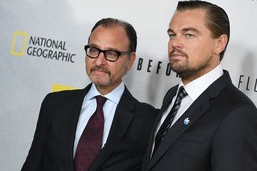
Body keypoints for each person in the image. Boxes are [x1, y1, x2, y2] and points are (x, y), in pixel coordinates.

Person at [21, 18, 159, 171]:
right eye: (93, 50)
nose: (99, 61)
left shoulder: (148, 121)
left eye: (111, 53)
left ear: (130, 60)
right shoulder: (54, 105)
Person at [142, 0, 257, 171]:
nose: (175, 43)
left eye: (189, 35)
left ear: (219, 43)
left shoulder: (237, 113)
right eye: (172, 34)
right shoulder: (172, 95)